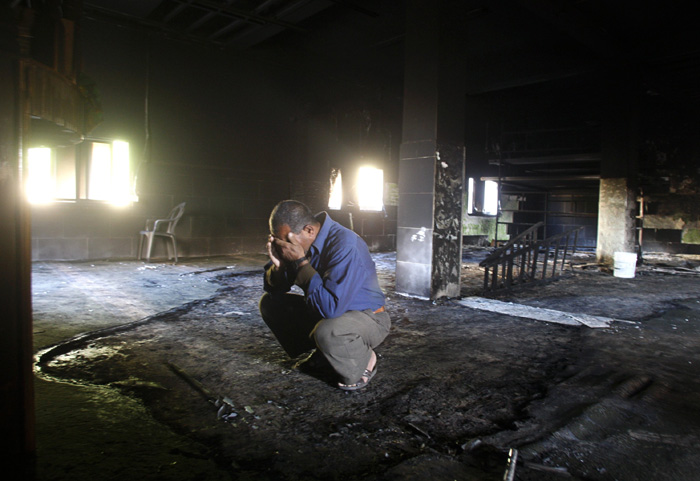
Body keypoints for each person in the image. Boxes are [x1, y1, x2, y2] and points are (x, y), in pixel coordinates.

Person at [259, 200, 390, 391]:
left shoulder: (345, 245)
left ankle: (365, 358)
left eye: (285, 242)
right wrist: (279, 268)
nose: (283, 247)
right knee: (271, 304)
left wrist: (301, 264)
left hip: (368, 317)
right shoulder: (299, 241)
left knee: (329, 331)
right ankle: (324, 353)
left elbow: (330, 309)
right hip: (331, 312)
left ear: (309, 230)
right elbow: (274, 290)